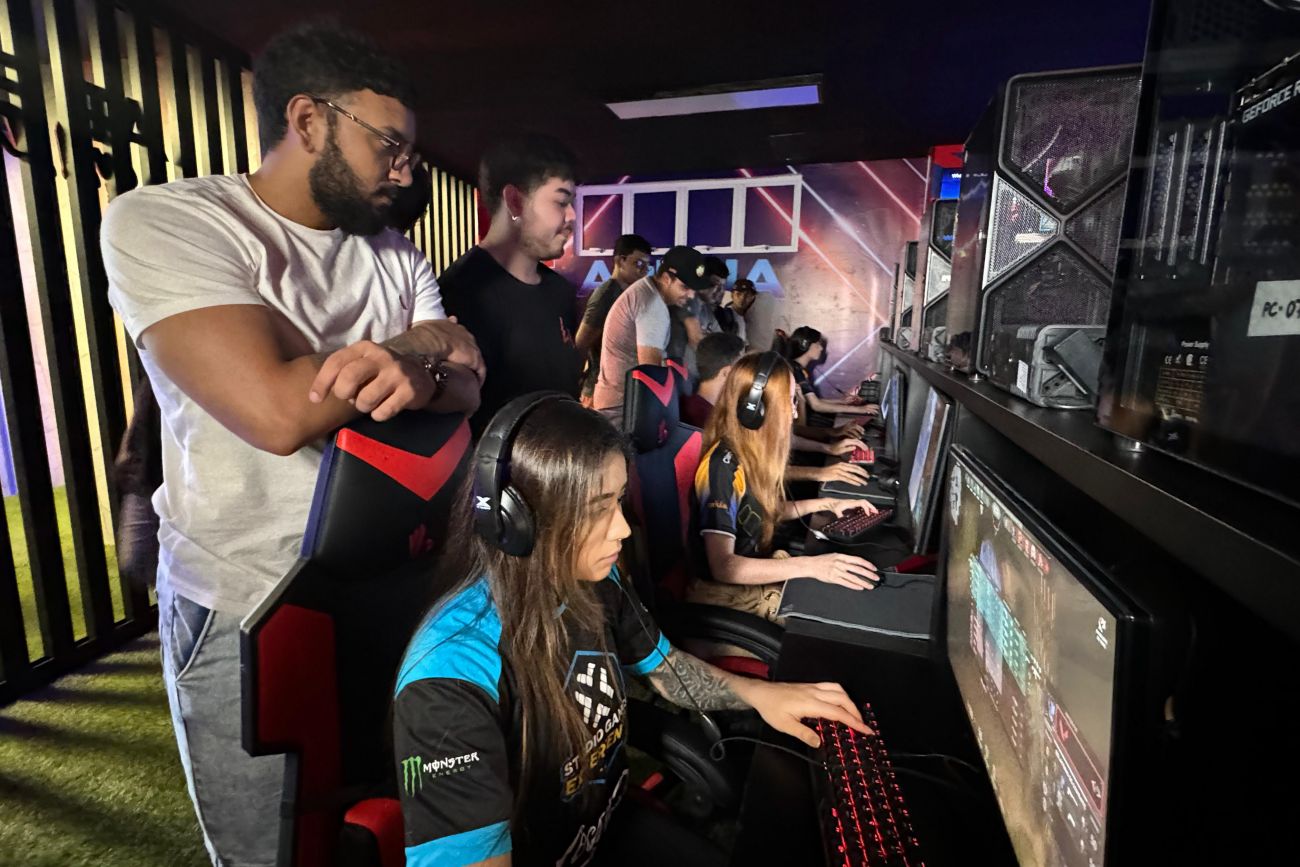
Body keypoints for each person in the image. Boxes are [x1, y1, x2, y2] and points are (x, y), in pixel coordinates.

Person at [101, 22, 482, 865]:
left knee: (392, 825)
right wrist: (418, 352)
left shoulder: (396, 251)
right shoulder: (170, 220)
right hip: (249, 599)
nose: (404, 171)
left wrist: (416, 360)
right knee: (270, 850)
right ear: (309, 120)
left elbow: (468, 381)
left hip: (392, 582)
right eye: (389, 146)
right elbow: (276, 414)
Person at [393, 396, 872, 866]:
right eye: (597, 508)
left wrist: (761, 694)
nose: (622, 529)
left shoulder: (596, 581)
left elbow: (665, 668)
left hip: (609, 823)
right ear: (516, 520)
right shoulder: (450, 676)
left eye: (618, 501)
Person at [691, 352, 880, 621]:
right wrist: (811, 566)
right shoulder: (722, 468)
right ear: (755, 409)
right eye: (789, 401)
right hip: (728, 593)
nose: (795, 412)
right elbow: (724, 567)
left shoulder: (751, 452)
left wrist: (829, 503)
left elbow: (765, 512)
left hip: (757, 570)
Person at [439, 133, 585, 434]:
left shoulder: (559, 290)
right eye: (561, 202)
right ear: (515, 202)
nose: (572, 216)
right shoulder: (460, 293)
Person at [683, 335, 873, 490]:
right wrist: (819, 472)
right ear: (727, 373)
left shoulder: (732, 407)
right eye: (744, 367)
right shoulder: (702, 419)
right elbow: (752, 470)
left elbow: (779, 435)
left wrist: (828, 445)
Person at [592, 245, 710, 428]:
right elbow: (651, 374)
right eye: (685, 287)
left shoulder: (645, 290)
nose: (690, 295)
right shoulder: (653, 306)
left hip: (620, 402)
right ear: (666, 278)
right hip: (623, 408)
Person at [575, 234, 652, 402]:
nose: (644, 270)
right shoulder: (607, 294)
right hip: (600, 389)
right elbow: (581, 343)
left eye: (647, 265)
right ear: (620, 261)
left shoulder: (631, 294)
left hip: (623, 387)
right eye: (638, 264)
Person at [780, 326, 880, 417]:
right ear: (805, 345)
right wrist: (861, 409)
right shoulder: (796, 371)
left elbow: (812, 400)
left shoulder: (797, 368)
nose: (821, 348)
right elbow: (816, 405)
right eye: (818, 344)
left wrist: (842, 402)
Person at [666, 255, 727, 381]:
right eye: (714, 285)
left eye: (722, 286)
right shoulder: (687, 300)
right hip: (676, 377)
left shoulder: (706, 308)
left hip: (692, 377)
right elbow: (697, 340)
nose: (719, 291)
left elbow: (721, 340)